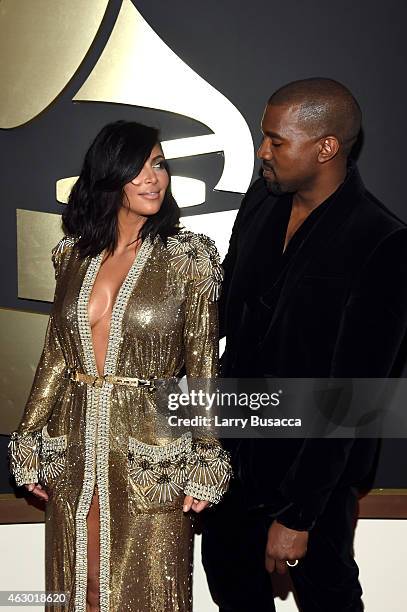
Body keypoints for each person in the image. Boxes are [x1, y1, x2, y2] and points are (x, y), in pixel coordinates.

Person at [201, 78, 407, 611]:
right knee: (232, 594)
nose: (261, 152)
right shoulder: (263, 201)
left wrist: (298, 516)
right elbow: (229, 310)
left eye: (275, 141)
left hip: (310, 479)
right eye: (262, 138)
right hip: (232, 461)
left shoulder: (381, 242)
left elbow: (352, 397)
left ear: (326, 147)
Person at [9, 120, 231, 612]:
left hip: (152, 456)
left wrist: (208, 457)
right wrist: (28, 437)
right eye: (138, 168)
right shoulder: (72, 254)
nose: (153, 178)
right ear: (110, 177)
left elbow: (202, 365)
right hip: (77, 452)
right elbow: (55, 354)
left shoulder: (188, 258)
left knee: (148, 593)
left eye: (159, 164)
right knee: (77, 587)